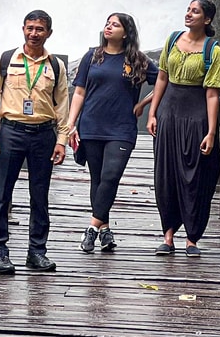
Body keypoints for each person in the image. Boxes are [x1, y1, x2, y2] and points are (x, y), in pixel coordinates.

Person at [0, 10, 71, 274]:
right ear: (23, 29)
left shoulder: (56, 66)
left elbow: (62, 105)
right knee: (1, 194)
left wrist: (61, 140)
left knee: (39, 196)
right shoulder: (7, 59)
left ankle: (37, 252)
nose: (34, 33)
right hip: (11, 132)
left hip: (44, 134)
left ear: (49, 33)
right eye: (30, 28)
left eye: (39, 29)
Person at [66, 13, 158, 253]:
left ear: (126, 32)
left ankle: (92, 229)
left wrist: (144, 104)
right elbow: (79, 92)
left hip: (122, 128)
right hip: (92, 125)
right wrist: (71, 123)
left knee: (110, 176)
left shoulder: (137, 59)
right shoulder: (92, 56)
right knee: (97, 179)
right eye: (107, 23)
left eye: (115, 24)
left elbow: (162, 81)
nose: (108, 27)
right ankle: (105, 230)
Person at [146, 0, 220, 258]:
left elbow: (213, 94)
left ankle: (192, 238)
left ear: (207, 19)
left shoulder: (212, 51)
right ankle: (167, 236)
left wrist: (212, 132)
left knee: (194, 174)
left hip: (196, 116)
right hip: (169, 112)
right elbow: (161, 77)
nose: (189, 14)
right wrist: (152, 112)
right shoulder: (172, 40)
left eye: (196, 11)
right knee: (166, 173)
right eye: (188, 10)